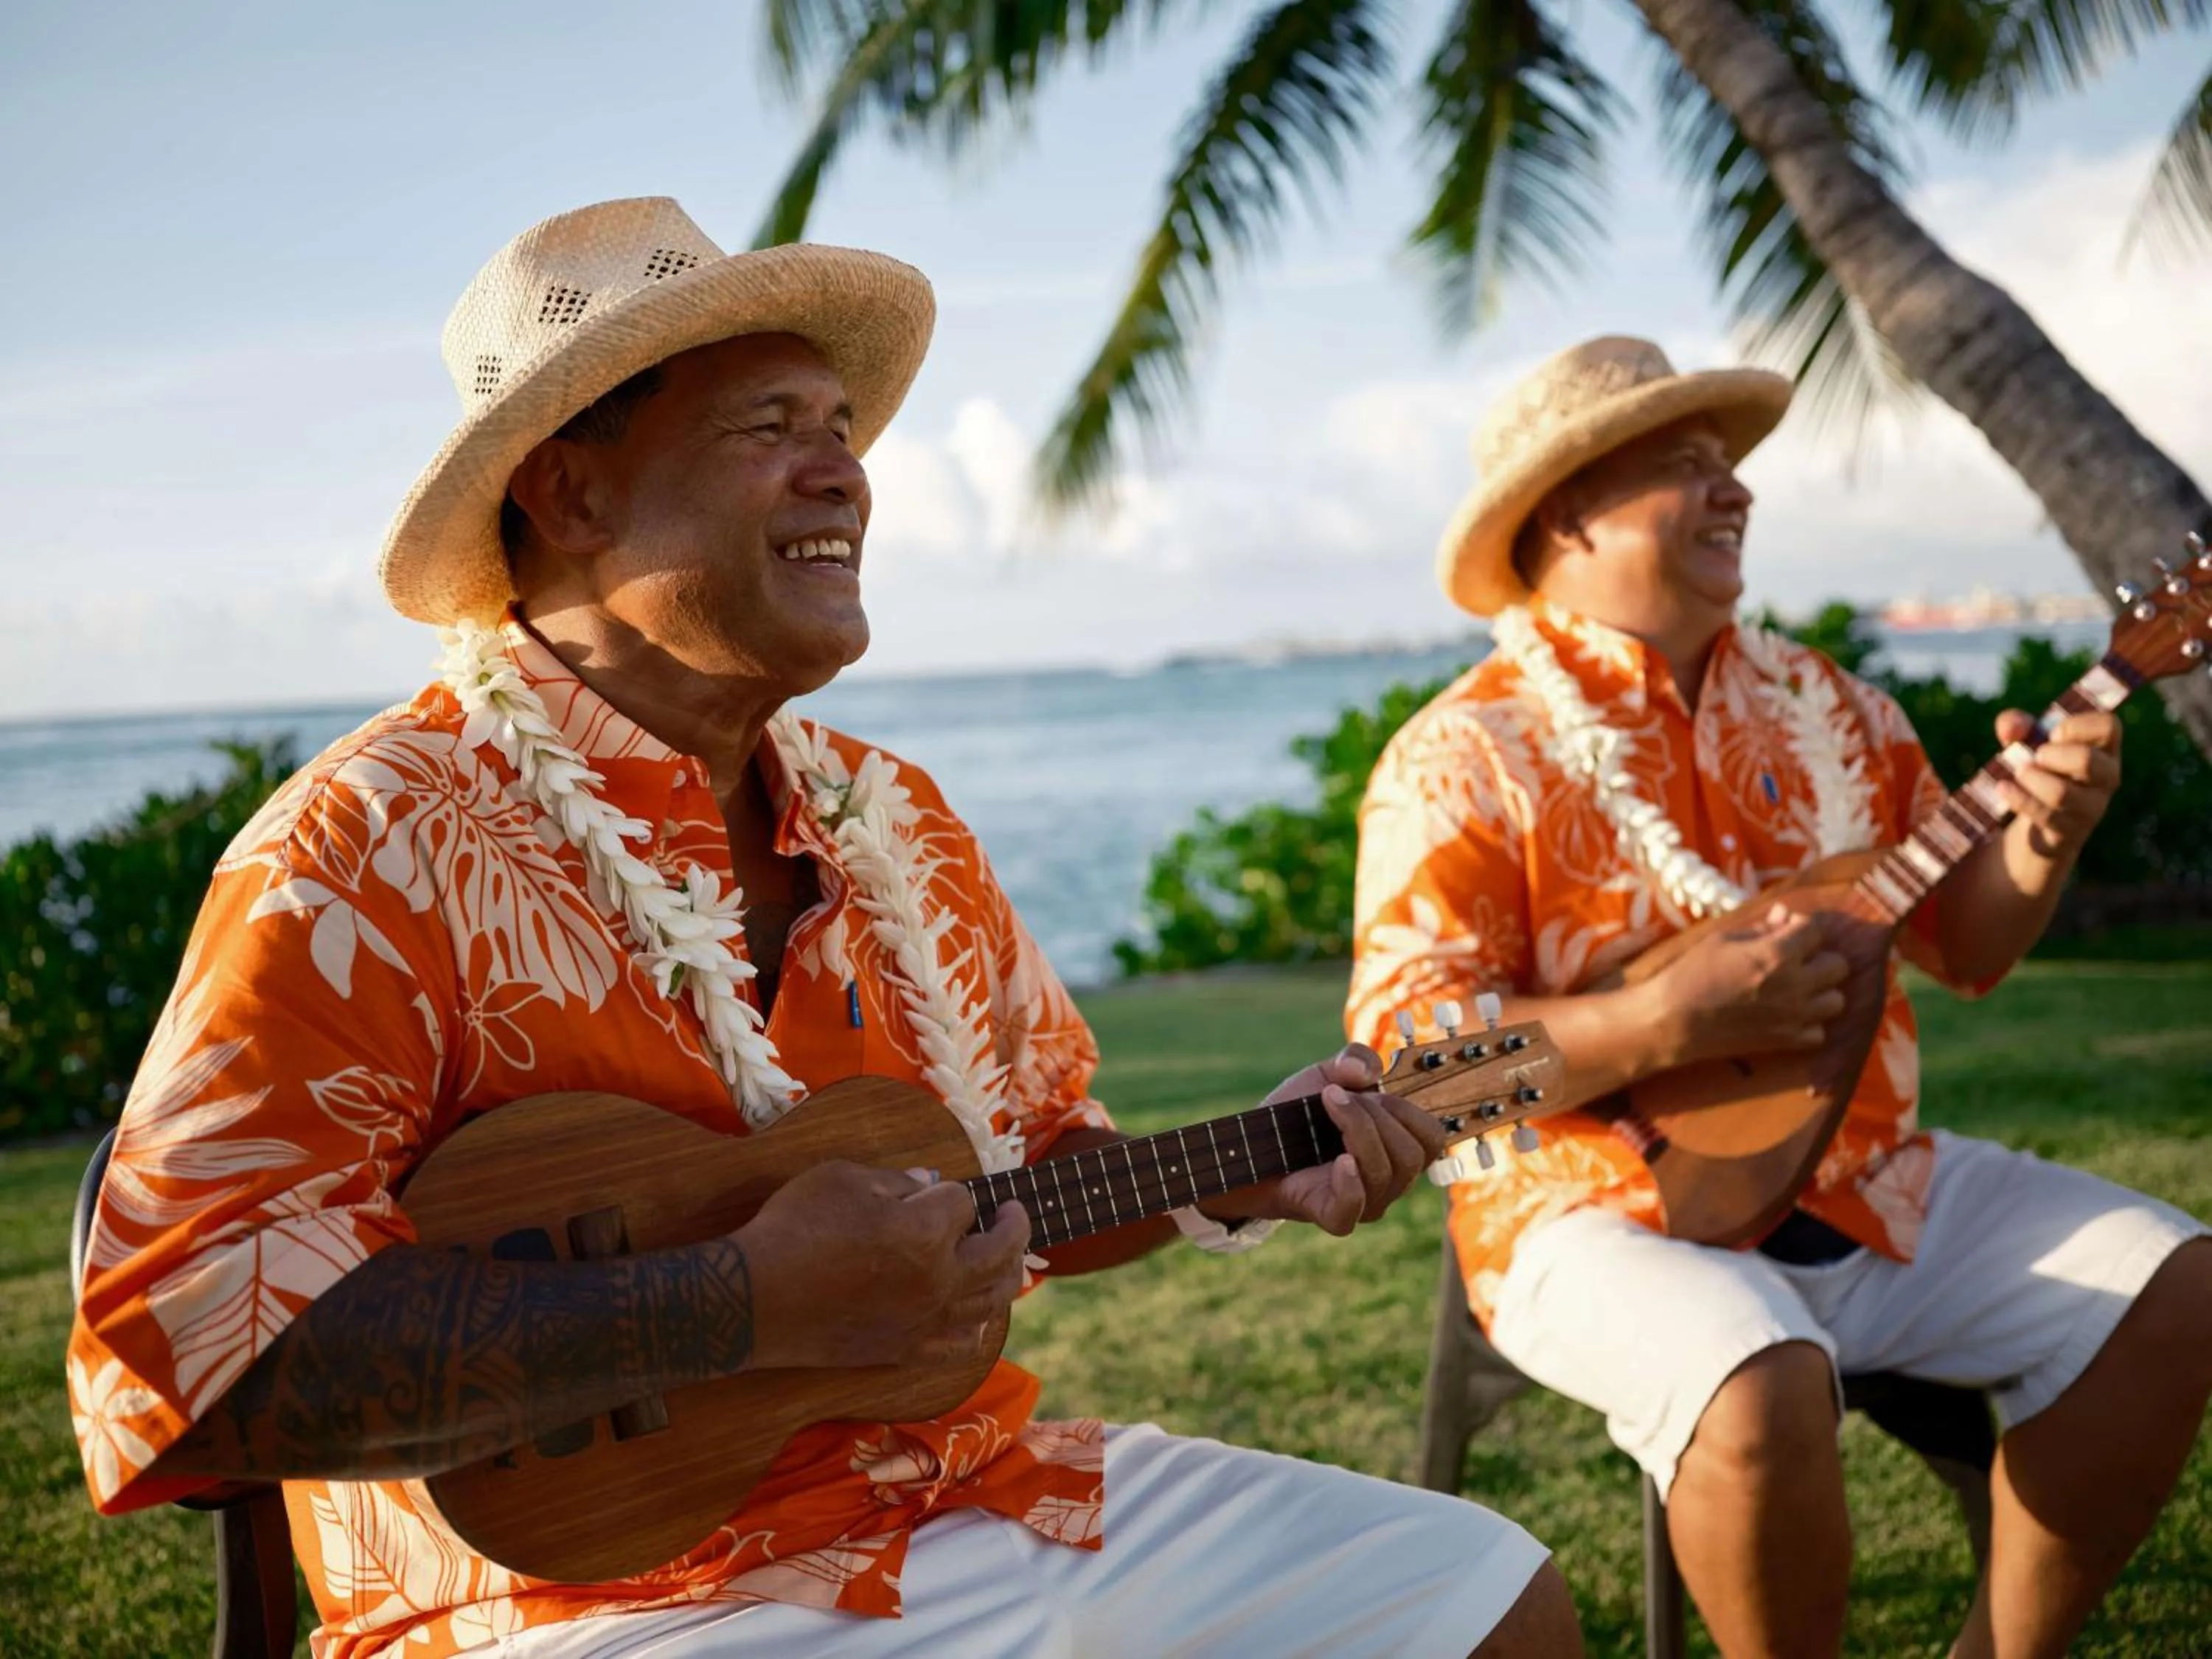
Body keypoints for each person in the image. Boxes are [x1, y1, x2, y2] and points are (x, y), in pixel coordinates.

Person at [66, 197, 1580, 1659]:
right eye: (766, 430)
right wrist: (739, 1300)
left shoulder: (895, 817)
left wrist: (1253, 1167)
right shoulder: (369, 847)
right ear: (572, 493)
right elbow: (196, 1357)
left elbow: (1028, 1168)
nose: (842, 473)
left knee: (1485, 1596)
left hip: (965, 1499)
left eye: (840, 431)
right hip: (583, 1608)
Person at [1346, 335, 2211, 1658]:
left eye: (1731, 463)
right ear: (1567, 510)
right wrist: (1660, 1025)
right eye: (1683, 466)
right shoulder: (1464, 754)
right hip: (1588, 1211)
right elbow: (1415, 1075)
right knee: (1755, 1381)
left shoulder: (1837, 709)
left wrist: (2045, 836)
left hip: (1868, 1181)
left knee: (2177, 1282)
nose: (1734, 489)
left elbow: (1966, 948)